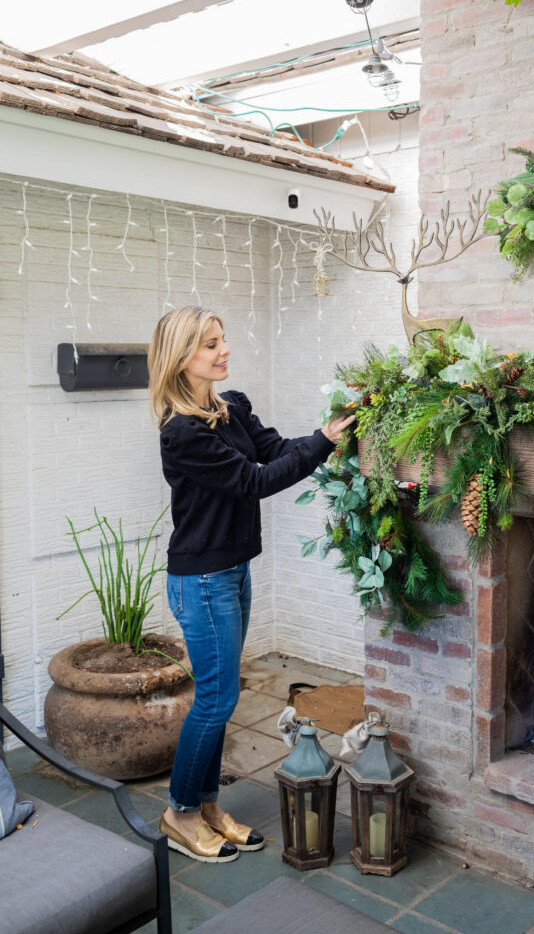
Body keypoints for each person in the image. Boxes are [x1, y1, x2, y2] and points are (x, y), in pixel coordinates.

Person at [148, 305, 354, 862]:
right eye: (210, 344)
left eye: (223, 339)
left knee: (219, 696)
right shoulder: (181, 431)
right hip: (202, 578)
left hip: (231, 572)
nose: (225, 350)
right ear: (181, 357)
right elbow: (254, 481)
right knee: (216, 699)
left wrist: (326, 436)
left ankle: (208, 805)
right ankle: (180, 813)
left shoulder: (231, 408)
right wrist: (322, 444)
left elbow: (274, 451)